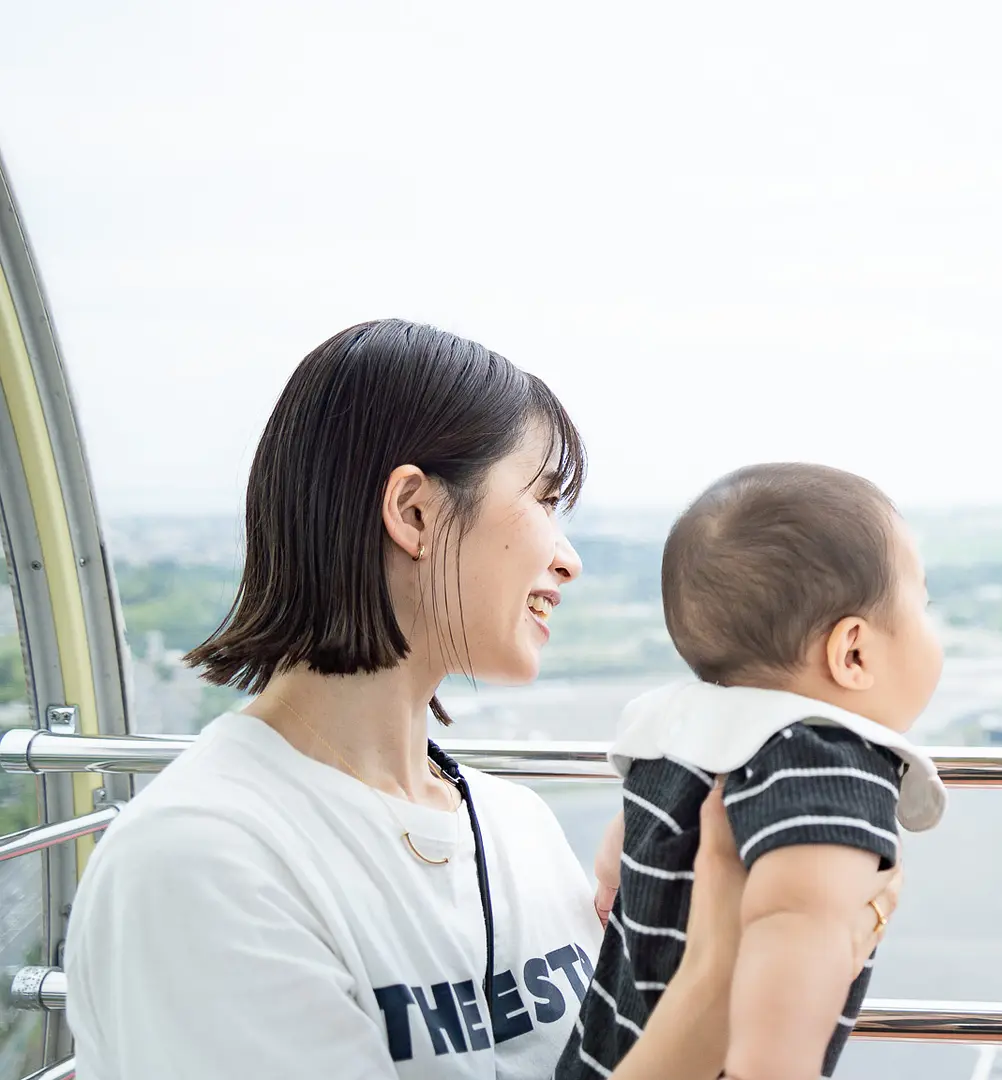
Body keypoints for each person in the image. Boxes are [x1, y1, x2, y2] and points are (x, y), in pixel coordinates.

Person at [63, 320, 899, 1079]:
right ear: (415, 512)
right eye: (543, 499)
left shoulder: (515, 828)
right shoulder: (200, 866)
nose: (568, 559)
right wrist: (713, 983)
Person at [563, 463, 947, 1080]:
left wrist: (619, 881)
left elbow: (619, 852)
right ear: (852, 652)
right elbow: (798, 929)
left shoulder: (679, 730)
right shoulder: (828, 765)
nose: (932, 627)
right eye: (924, 606)